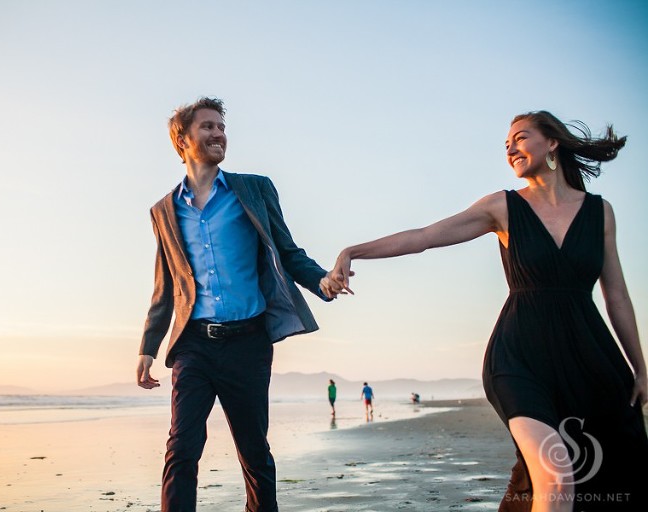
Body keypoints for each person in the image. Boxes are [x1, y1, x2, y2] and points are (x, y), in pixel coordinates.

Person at [329, 111, 648, 511]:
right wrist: (352, 251)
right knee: (556, 473)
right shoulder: (502, 207)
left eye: (520, 138)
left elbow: (616, 294)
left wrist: (639, 368)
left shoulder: (600, 213)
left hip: (587, 356)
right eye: (506, 144)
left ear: (552, 143)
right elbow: (424, 236)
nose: (510, 148)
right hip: (519, 357)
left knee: (608, 474)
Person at [136, 97, 343, 512]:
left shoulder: (254, 188)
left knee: (254, 452)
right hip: (193, 343)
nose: (218, 134)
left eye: (221, 127)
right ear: (183, 140)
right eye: (207, 127)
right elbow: (166, 286)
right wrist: (147, 348)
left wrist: (322, 280)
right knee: (182, 448)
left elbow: (286, 250)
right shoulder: (164, 210)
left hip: (248, 342)